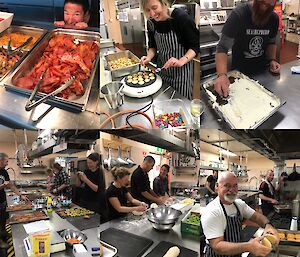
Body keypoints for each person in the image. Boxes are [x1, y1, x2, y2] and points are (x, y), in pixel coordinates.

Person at [201, 172, 280, 257]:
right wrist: (248, 246)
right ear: (217, 186)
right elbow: (217, 246)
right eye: (227, 185)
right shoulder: (212, 211)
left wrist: (268, 225)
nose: (232, 190)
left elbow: (257, 216)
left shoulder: (238, 204)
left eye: (235, 185)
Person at [214, 0, 280, 97]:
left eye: (269, 5)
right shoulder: (239, 14)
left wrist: (272, 60)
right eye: (262, 3)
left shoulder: (274, 18)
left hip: (263, 73)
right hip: (240, 74)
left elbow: (271, 42)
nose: (264, 8)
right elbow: (222, 47)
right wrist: (222, 75)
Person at [140, 0, 200, 99]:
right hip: (162, 71)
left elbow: (195, 45)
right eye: (147, 10)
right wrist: (148, 57)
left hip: (181, 74)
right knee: (163, 101)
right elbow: (152, 46)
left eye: (154, 8)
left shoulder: (180, 18)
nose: (152, 14)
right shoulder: (151, 22)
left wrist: (181, 60)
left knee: (180, 104)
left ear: (164, 4)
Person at [0, 153, 29, 248]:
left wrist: (21, 195)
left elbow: (11, 185)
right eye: (6, 161)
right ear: (0, 160)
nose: (7, 163)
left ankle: (3, 233)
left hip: (2, 200)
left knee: (3, 219)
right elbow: (5, 185)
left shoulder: (4, 172)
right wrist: (3, 186)